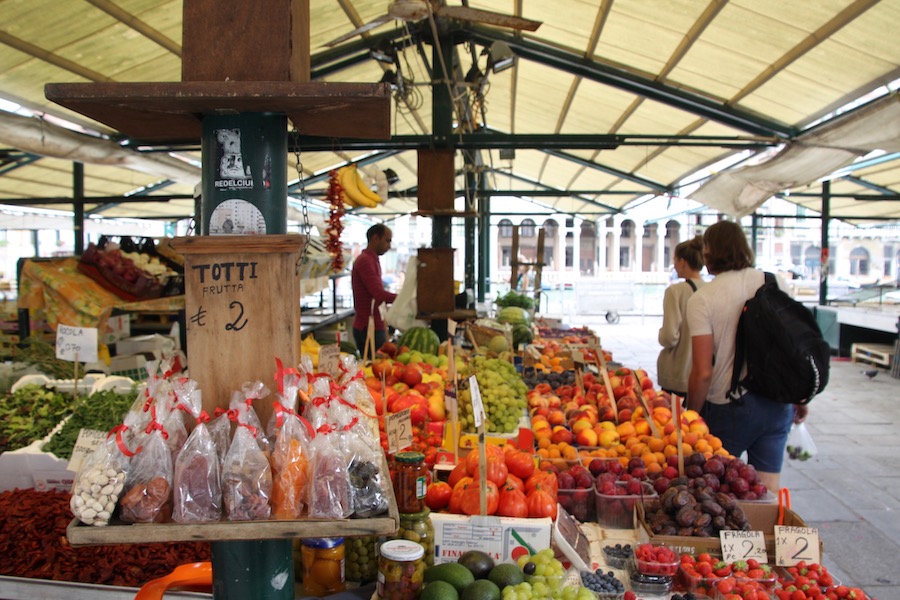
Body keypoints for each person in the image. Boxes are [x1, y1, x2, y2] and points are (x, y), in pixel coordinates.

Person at [686, 220, 807, 492]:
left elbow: (703, 371)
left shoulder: (704, 299)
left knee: (713, 491)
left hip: (730, 405)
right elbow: (795, 345)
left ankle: (726, 536)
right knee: (766, 491)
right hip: (778, 402)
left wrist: (690, 416)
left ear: (709, 252)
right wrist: (798, 396)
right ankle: (766, 532)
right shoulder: (776, 283)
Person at [657, 236, 705, 400]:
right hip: (702, 375)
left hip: (677, 373)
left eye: (675, 261)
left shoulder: (675, 292)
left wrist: (661, 333)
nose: (675, 266)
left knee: (673, 421)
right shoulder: (711, 290)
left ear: (683, 262)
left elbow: (669, 337)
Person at [352, 224, 397, 356]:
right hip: (368, 327)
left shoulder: (372, 260)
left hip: (374, 324)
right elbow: (378, 294)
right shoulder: (365, 261)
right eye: (387, 240)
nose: (389, 246)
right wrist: (403, 299)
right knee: (375, 368)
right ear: (375, 238)